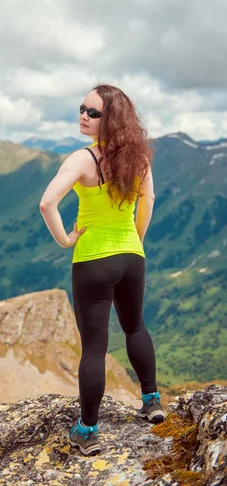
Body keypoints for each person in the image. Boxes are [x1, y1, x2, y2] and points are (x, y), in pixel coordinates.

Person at [39, 84, 165, 456]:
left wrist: (65, 240)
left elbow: (47, 203)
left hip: (93, 258)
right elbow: (149, 200)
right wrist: (135, 243)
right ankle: (152, 401)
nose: (83, 116)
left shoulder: (82, 160)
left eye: (92, 112)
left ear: (109, 119)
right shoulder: (138, 158)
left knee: (94, 347)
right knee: (135, 326)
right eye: (82, 109)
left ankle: (88, 430)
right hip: (132, 256)